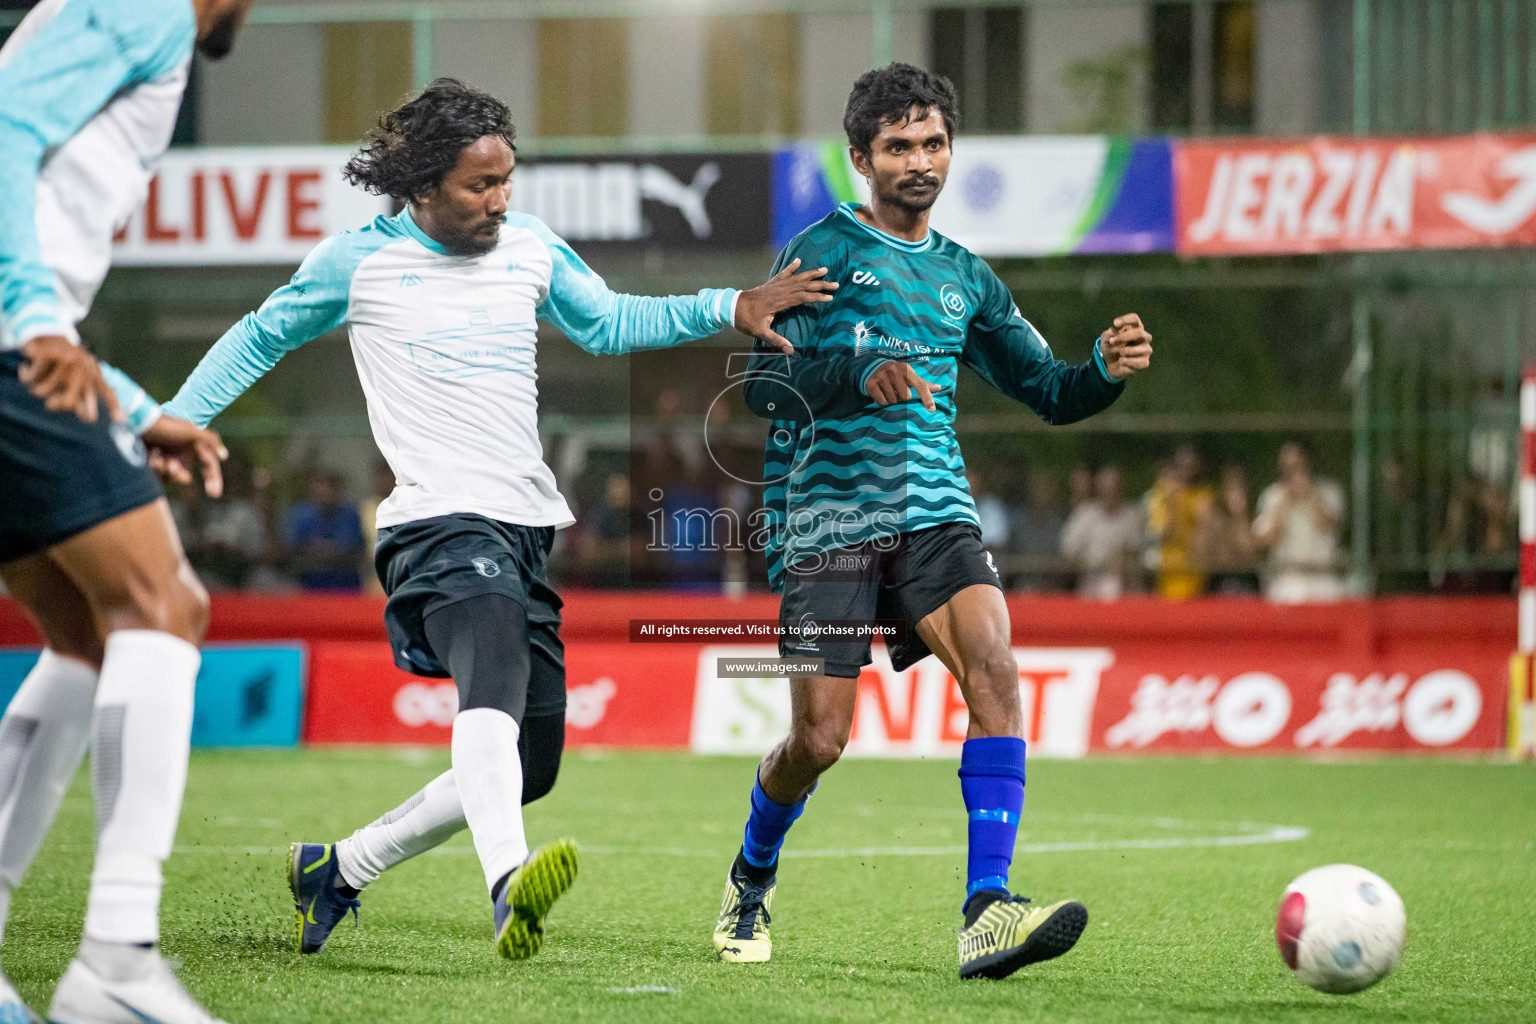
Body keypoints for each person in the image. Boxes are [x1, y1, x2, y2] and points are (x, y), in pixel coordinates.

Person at [160, 79, 836, 965]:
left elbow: (608, 323)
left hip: (522, 531)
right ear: (425, 184)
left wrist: (727, 306)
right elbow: (258, 336)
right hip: (435, 526)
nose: (500, 200)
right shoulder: (355, 263)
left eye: (507, 180)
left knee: (534, 762)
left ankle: (337, 870)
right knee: (491, 673)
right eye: (481, 185)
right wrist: (174, 416)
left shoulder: (529, 249)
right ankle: (508, 881)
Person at [716, 64, 1152, 980]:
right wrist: (849, 378)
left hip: (934, 512)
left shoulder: (966, 279)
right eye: (899, 147)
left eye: (933, 143)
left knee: (995, 665)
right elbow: (756, 384)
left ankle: (987, 909)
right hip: (827, 520)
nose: (919, 161)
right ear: (860, 159)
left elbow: (1050, 392)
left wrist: (1103, 369)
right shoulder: (821, 252)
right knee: (819, 742)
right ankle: (751, 876)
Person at [0, 3, 252, 1022]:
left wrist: (140, 412)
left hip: (22, 351)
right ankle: (114, 955)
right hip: (13, 352)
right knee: (163, 603)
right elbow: (4, 125)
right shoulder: (150, 2)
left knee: (84, 635)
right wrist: (32, 320)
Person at [1253, 441, 1345, 603]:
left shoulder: (1330, 491)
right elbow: (1266, 540)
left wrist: (1309, 495)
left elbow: (1326, 525)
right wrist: (1286, 500)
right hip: (1286, 582)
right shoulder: (1272, 495)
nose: (1292, 471)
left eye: (1297, 465)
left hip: (1324, 581)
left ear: (1307, 464)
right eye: (1286, 467)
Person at [1060, 465, 1143, 599]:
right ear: (1098, 489)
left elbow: (1135, 552)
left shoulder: (1131, 515)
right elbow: (1067, 554)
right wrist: (1090, 564)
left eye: (1114, 488)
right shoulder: (1084, 514)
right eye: (1106, 488)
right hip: (1090, 583)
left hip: (1123, 585)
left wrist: (1120, 559)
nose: (1110, 492)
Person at [1142, 445, 1213, 599]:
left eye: (1191, 465)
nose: (1187, 470)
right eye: (1182, 465)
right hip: (1167, 575)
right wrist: (1172, 504)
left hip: (1196, 576)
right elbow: (1164, 534)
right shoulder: (1161, 494)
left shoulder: (1203, 495)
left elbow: (1205, 536)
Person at [282, 469, 365, 591]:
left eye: (330, 486)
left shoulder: (350, 513)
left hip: (344, 577)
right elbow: (292, 546)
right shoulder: (301, 513)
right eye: (320, 485)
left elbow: (354, 548)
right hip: (310, 577)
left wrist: (328, 551)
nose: (325, 491)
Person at [1196, 464, 1261, 595]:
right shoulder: (1214, 516)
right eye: (1230, 486)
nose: (1234, 492)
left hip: (1246, 582)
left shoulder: (1253, 515)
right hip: (1217, 582)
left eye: (1238, 486)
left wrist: (1239, 517)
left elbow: (1250, 553)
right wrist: (1204, 522)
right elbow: (1200, 552)